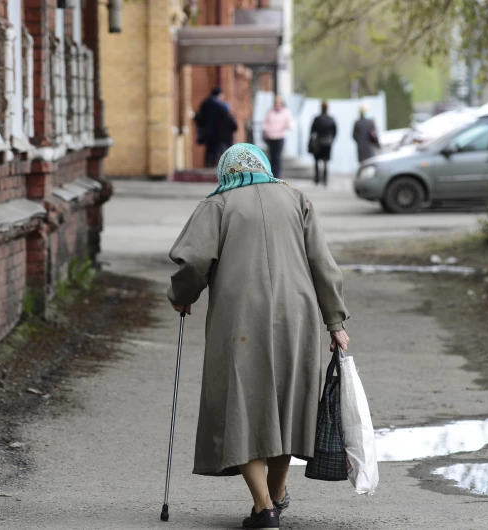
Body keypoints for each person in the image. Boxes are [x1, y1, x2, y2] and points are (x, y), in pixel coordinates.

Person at [168, 143, 351, 530]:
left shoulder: (217, 205)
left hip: (240, 319)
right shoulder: (295, 198)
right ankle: (277, 494)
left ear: (226, 171)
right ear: (264, 166)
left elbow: (193, 262)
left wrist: (182, 298)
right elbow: (323, 264)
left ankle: (265, 506)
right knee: (287, 403)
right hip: (295, 315)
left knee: (242, 405)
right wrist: (335, 322)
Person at [194, 87, 235, 167]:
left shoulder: (205, 103)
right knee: (217, 149)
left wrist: (202, 126)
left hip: (207, 130)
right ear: (219, 94)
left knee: (209, 149)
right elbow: (227, 116)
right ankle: (214, 165)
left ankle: (208, 165)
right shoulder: (219, 105)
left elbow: (198, 116)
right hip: (217, 131)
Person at [261, 95, 296, 179]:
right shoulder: (270, 111)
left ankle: (277, 174)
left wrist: (286, 126)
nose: (277, 104)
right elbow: (265, 123)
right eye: (275, 102)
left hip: (279, 137)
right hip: (270, 137)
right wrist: (265, 131)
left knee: (277, 156)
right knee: (271, 156)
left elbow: (292, 124)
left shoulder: (285, 112)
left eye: (278, 102)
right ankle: (271, 173)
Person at [309, 101, 337, 186]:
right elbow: (335, 131)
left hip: (319, 142)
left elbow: (312, 131)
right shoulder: (331, 119)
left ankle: (317, 178)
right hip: (327, 142)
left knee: (317, 161)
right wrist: (331, 139)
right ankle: (325, 179)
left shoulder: (317, 119)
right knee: (325, 161)